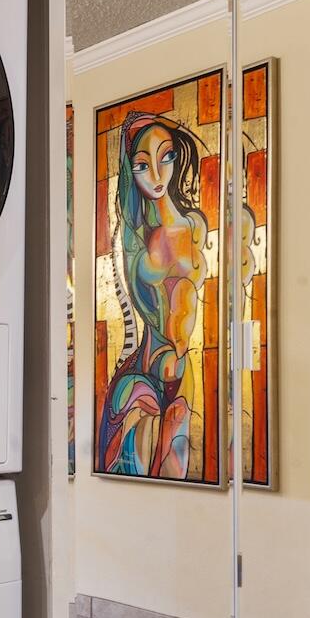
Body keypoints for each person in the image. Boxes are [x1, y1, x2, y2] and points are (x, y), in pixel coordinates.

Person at [97, 110, 210, 479]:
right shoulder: (134, 240)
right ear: (131, 172)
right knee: (137, 475)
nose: (158, 174)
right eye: (143, 165)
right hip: (146, 371)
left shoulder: (196, 225)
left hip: (182, 367)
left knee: (176, 473)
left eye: (166, 157)